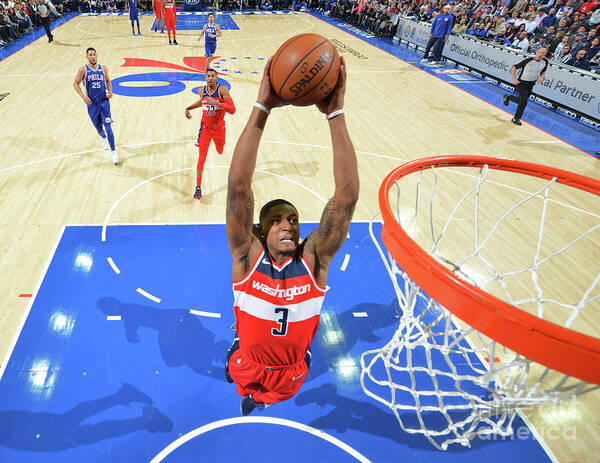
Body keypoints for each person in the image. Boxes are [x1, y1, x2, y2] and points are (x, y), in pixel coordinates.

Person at [224, 56, 359, 416]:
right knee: (239, 377)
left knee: (268, 397)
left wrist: (335, 114)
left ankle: (256, 399)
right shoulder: (247, 256)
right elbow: (238, 187)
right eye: (278, 221)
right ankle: (242, 369)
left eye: (294, 220)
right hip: (248, 359)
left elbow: (345, 199)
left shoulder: (314, 259)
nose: (288, 225)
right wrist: (261, 107)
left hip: (291, 370)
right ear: (261, 230)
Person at [184, 69, 235, 199]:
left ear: (216, 78)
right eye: (209, 76)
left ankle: (220, 145)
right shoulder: (201, 91)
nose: (211, 78)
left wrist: (217, 103)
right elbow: (202, 102)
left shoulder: (222, 90)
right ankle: (198, 187)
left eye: (213, 76)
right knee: (201, 157)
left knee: (220, 151)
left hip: (219, 129)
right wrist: (189, 107)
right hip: (206, 129)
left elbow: (232, 110)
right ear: (205, 78)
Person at [73, 48, 120, 165]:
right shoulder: (83, 70)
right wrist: (83, 97)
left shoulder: (103, 68)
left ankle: (114, 153)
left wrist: (111, 91)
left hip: (104, 102)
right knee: (99, 128)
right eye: (90, 55)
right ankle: (103, 138)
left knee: (108, 126)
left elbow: (108, 81)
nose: (93, 57)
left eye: (94, 54)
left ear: (97, 56)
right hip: (92, 104)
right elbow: (75, 83)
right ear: (87, 57)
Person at [503, 46, 548, 125]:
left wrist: (541, 77)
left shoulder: (545, 62)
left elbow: (543, 71)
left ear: (545, 54)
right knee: (524, 102)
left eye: (543, 53)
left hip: (531, 83)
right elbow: (513, 68)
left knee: (521, 100)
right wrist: (515, 79)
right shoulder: (528, 60)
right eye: (539, 52)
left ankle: (508, 97)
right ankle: (516, 118)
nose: (541, 54)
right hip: (522, 83)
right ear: (536, 52)